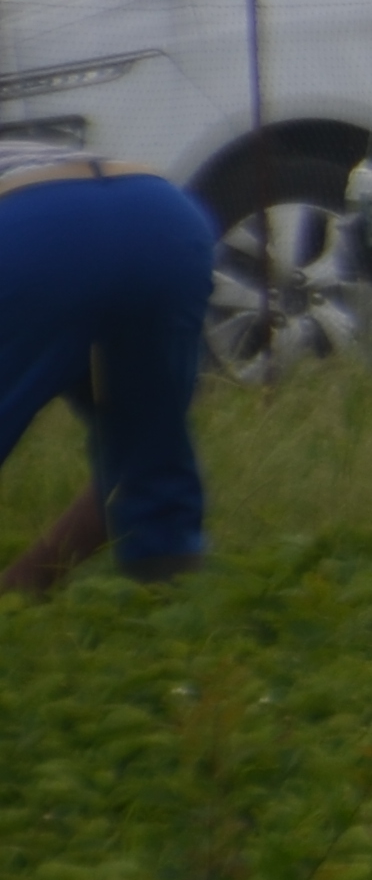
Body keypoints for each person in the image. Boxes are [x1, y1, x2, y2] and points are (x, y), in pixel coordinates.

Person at [0, 145, 219, 598]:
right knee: (152, 458)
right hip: (161, 216)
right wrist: (20, 587)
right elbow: (130, 472)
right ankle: (175, 621)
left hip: (25, 230)